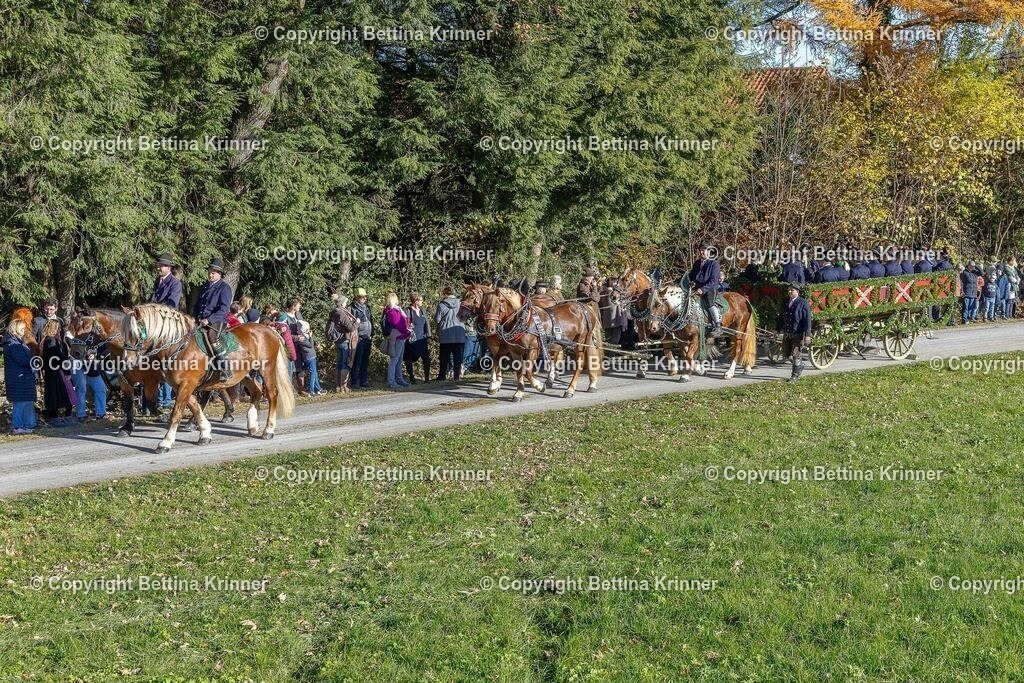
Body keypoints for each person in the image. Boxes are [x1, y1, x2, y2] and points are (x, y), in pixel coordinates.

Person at [192, 257, 234, 381]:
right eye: (209, 271)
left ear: (219, 274)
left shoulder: (224, 288)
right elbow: (198, 305)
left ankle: (225, 369)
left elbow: (224, 309)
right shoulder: (204, 286)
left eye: (213, 272)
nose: (210, 274)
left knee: (212, 336)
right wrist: (194, 318)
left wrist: (209, 319)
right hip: (201, 320)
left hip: (218, 320)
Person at [4, 319, 37, 434]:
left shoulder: (19, 342)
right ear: (15, 329)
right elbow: (22, 360)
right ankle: (17, 426)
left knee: (28, 402)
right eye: (22, 329)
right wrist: (35, 362)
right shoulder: (12, 344)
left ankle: (29, 424)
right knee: (20, 403)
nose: (24, 331)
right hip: (18, 378)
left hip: (24, 377)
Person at [776, 283, 812, 383]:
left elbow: (807, 320)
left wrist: (807, 335)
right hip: (787, 332)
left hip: (798, 333)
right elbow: (781, 318)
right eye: (789, 290)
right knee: (786, 353)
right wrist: (777, 329)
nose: (790, 292)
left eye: (792, 290)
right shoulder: (785, 302)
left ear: (797, 292)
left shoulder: (803, 303)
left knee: (796, 354)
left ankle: (794, 376)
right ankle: (799, 365)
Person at [40, 319, 73, 424]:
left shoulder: (54, 340)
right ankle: (55, 418)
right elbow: (59, 357)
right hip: (54, 371)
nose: (59, 330)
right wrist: (67, 371)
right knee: (55, 394)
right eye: (57, 328)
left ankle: (63, 416)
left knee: (60, 393)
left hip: (54, 370)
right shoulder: (51, 340)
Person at [326, 293, 359, 393]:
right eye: (345, 301)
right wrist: (357, 322)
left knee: (339, 363)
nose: (346, 303)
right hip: (344, 340)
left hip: (338, 341)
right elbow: (351, 328)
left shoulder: (334, 312)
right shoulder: (341, 313)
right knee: (345, 363)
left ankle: (338, 386)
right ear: (342, 302)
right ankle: (343, 386)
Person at [688, 245, 723, 337]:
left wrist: (702, 289)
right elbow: (691, 276)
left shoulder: (714, 264)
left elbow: (713, 281)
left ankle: (717, 325)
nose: (701, 252)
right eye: (700, 250)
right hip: (697, 288)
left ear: (709, 251)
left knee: (709, 302)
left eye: (704, 250)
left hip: (710, 288)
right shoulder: (696, 263)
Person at [435, 286, 467, 381]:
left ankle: (442, 376)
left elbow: (437, 319)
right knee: (458, 356)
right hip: (459, 332)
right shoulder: (461, 304)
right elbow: (465, 317)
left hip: (446, 333)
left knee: (444, 356)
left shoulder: (441, 305)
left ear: (445, 293)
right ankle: (456, 376)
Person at [74, 339, 108, 422]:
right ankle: (81, 414)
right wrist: (87, 354)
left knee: (101, 388)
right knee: (81, 390)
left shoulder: (100, 337)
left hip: (93, 369)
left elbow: (104, 349)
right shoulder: (79, 335)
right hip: (80, 367)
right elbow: (75, 351)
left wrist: (95, 354)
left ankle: (101, 414)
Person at [382, 292, 412, 389]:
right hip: (397, 337)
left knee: (399, 360)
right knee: (394, 359)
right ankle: (391, 381)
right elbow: (397, 324)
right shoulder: (392, 312)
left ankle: (399, 378)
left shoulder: (396, 310)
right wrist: (407, 332)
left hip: (401, 337)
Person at [349, 288, 374, 389]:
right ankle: (355, 381)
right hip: (359, 338)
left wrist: (372, 333)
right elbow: (351, 323)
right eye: (362, 297)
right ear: (356, 297)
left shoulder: (367, 307)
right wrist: (356, 336)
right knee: (357, 360)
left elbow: (370, 320)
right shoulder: (352, 308)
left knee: (365, 360)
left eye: (364, 297)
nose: (364, 299)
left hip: (368, 337)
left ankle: (363, 380)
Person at [296, 320, 324, 395]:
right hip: (309, 357)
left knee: (315, 373)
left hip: (311, 356)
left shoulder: (304, 337)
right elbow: (310, 345)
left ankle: (318, 388)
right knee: (312, 373)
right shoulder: (301, 338)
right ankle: (311, 390)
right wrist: (311, 337)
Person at [600, 278, 628, 345]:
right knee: (615, 340)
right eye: (616, 282)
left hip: (606, 320)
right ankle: (610, 354)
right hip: (616, 320)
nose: (617, 284)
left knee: (608, 339)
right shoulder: (615, 293)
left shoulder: (602, 292)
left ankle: (608, 353)